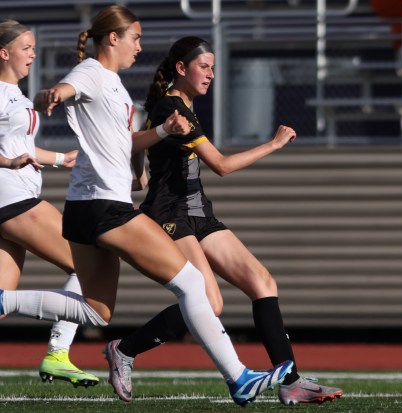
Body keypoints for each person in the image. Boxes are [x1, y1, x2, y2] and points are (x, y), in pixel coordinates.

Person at [0, 5, 292, 406]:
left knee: (96, 313)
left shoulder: (115, 85)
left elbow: (126, 142)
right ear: (113, 39)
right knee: (192, 284)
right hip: (105, 207)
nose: (140, 46)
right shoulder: (91, 72)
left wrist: (159, 132)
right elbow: (64, 88)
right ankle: (239, 377)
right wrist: (54, 94)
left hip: (87, 207)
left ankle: (3, 300)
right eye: (135, 37)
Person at [102, 36, 343, 405]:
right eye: (204, 66)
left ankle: (290, 380)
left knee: (262, 281)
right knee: (209, 302)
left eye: (214, 67)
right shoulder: (172, 106)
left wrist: (140, 174)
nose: (211, 74)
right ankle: (124, 349)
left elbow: (138, 142)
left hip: (199, 212)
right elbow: (222, 166)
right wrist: (273, 144)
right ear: (181, 68)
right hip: (171, 215)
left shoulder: (179, 106)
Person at [0, 19, 99, 388]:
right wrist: (9, 164)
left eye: (34, 46)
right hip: (12, 197)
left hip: (13, 197)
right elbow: (10, 156)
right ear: (4, 52)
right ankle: (59, 353)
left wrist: (61, 158)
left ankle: (58, 354)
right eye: (26, 47)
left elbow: (20, 148)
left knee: (2, 300)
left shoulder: (17, 96)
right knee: (87, 263)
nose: (33, 53)